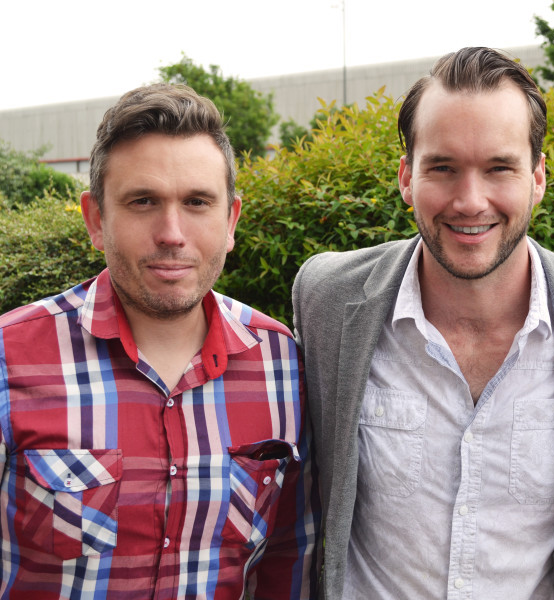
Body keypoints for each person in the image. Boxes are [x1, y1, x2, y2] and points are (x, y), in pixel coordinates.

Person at [292, 47, 554, 599]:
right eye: (443, 168)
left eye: (499, 167)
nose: (470, 200)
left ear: (538, 178)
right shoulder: (328, 300)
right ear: (408, 177)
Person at [0, 83, 319, 598]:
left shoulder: (281, 364)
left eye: (197, 202)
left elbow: (287, 559)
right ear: (96, 220)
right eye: (143, 201)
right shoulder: (9, 358)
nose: (172, 232)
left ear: (231, 219)